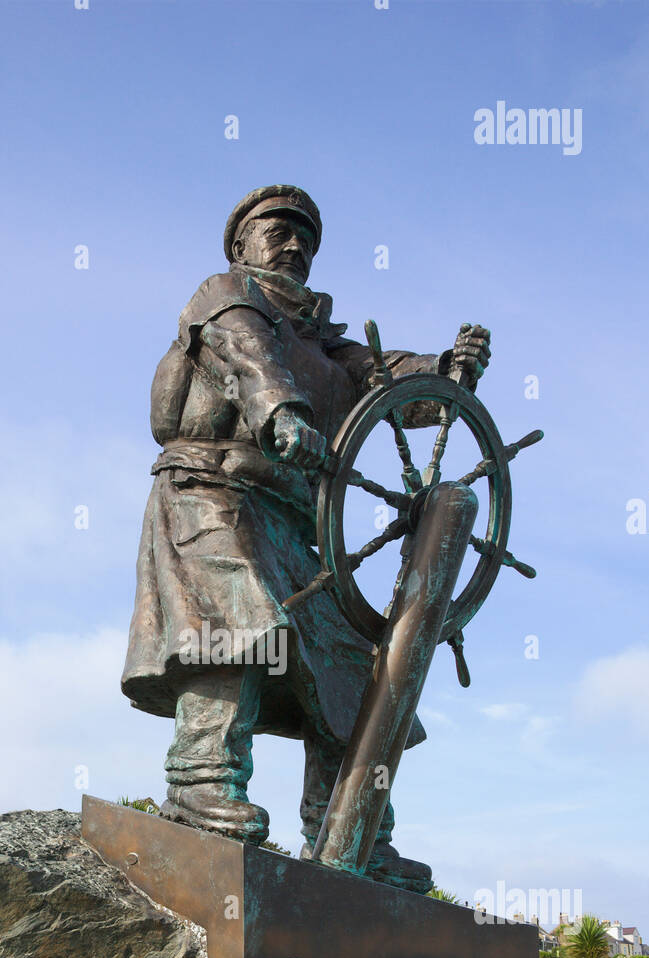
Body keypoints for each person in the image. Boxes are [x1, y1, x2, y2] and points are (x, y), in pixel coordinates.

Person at [121, 185, 490, 893]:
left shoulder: (327, 346)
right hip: (213, 496)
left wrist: (448, 372)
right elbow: (247, 356)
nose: (293, 244)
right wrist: (280, 413)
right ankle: (200, 786)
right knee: (235, 632)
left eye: (305, 237)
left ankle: (351, 834)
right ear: (241, 246)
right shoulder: (223, 297)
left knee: (352, 669)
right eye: (276, 231)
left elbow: (388, 383)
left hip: (295, 525)